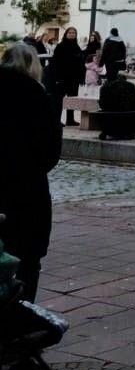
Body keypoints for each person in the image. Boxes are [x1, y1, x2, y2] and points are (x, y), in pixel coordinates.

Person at [0, 42, 62, 301]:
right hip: (28, 189)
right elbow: (51, 149)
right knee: (28, 257)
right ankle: (23, 310)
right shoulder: (38, 95)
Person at [46, 25, 85, 126]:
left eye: (74, 33)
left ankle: (70, 120)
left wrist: (81, 77)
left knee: (72, 99)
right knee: (58, 100)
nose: (72, 35)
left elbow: (81, 63)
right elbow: (56, 63)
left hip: (74, 79)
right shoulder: (61, 46)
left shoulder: (77, 47)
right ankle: (56, 120)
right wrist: (57, 78)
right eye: (70, 33)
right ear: (66, 34)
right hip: (62, 78)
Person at [97, 74, 135, 141]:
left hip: (110, 120)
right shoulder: (131, 86)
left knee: (100, 112)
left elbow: (102, 104)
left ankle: (105, 132)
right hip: (128, 119)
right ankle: (129, 132)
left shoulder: (104, 87)